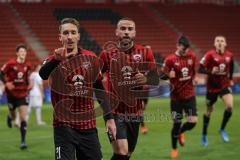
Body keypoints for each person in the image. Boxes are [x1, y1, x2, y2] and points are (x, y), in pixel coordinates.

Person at [39, 18, 116, 160]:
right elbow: (42, 74)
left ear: (78, 36)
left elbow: (99, 89)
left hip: (87, 125)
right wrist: (56, 59)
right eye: (66, 33)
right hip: (63, 125)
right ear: (60, 37)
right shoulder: (53, 59)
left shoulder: (91, 58)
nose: (69, 36)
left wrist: (109, 118)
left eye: (73, 32)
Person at [99, 18, 158, 160]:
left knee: (127, 154)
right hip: (114, 112)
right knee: (122, 152)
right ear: (117, 32)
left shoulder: (145, 52)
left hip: (134, 113)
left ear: (134, 32)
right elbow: (96, 82)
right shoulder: (106, 54)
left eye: (130, 29)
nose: (126, 32)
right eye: (123, 28)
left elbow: (155, 79)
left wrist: (146, 79)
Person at [162, 36, 198, 159]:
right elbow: (161, 76)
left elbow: (193, 71)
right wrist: (168, 75)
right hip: (175, 98)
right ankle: (174, 148)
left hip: (189, 95)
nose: (186, 51)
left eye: (187, 49)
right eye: (183, 49)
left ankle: (182, 132)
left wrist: (195, 78)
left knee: (193, 122)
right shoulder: (170, 59)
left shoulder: (192, 57)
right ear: (177, 45)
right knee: (176, 124)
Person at [199, 35, 234, 147]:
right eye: (217, 41)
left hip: (224, 85)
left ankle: (222, 129)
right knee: (209, 111)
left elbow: (231, 67)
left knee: (229, 106)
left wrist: (230, 79)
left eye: (222, 41)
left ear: (225, 43)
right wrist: (210, 72)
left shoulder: (230, 55)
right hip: (212, 88)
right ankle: (204, 134)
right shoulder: (209, 54)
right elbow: (200, 68)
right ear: (214, 44)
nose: (220, 42)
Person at [0, 44, 32, 149]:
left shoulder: (28, 65)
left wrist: (30, 84)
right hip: (11, 94)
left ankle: (23, 141)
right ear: (17, 53)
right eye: (21, 51)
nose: (23, 53)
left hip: (23, 94)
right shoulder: (10, 63)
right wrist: (6, 83)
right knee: (14, 116)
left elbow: (27, 78)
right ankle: (10, 116)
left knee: (23, 117)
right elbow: (1, 73)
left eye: (24, 51)